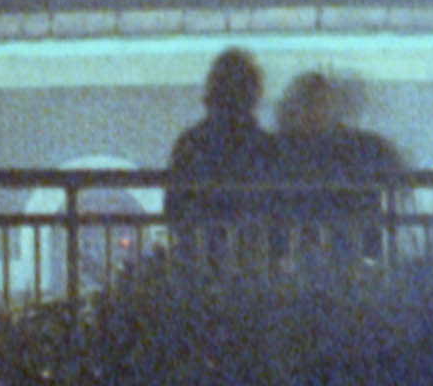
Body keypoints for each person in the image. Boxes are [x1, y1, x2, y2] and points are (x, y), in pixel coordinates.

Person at [274, 67, 406, 271]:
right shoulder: (365, 146)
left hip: (340, 249)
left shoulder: (363, 147)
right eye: (309, 104)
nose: (314, 111)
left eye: (320, 103)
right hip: (337, 250)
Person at [163, 45, 275, 272]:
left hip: (199, 255)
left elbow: (174, 205)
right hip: (252, 257)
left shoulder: (192, 142)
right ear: (254, 94)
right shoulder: (265, 146)